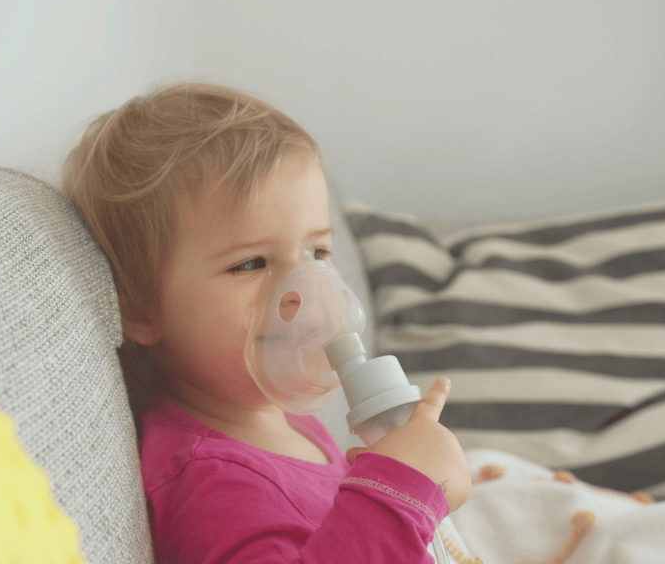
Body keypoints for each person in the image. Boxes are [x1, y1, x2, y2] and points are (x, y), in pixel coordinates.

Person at [61, 79, 472, 563]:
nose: (309, 290)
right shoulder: (212, 483)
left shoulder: (294, 424)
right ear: (141, 307)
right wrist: (396, 496)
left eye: (317, 251)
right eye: (251, 263)